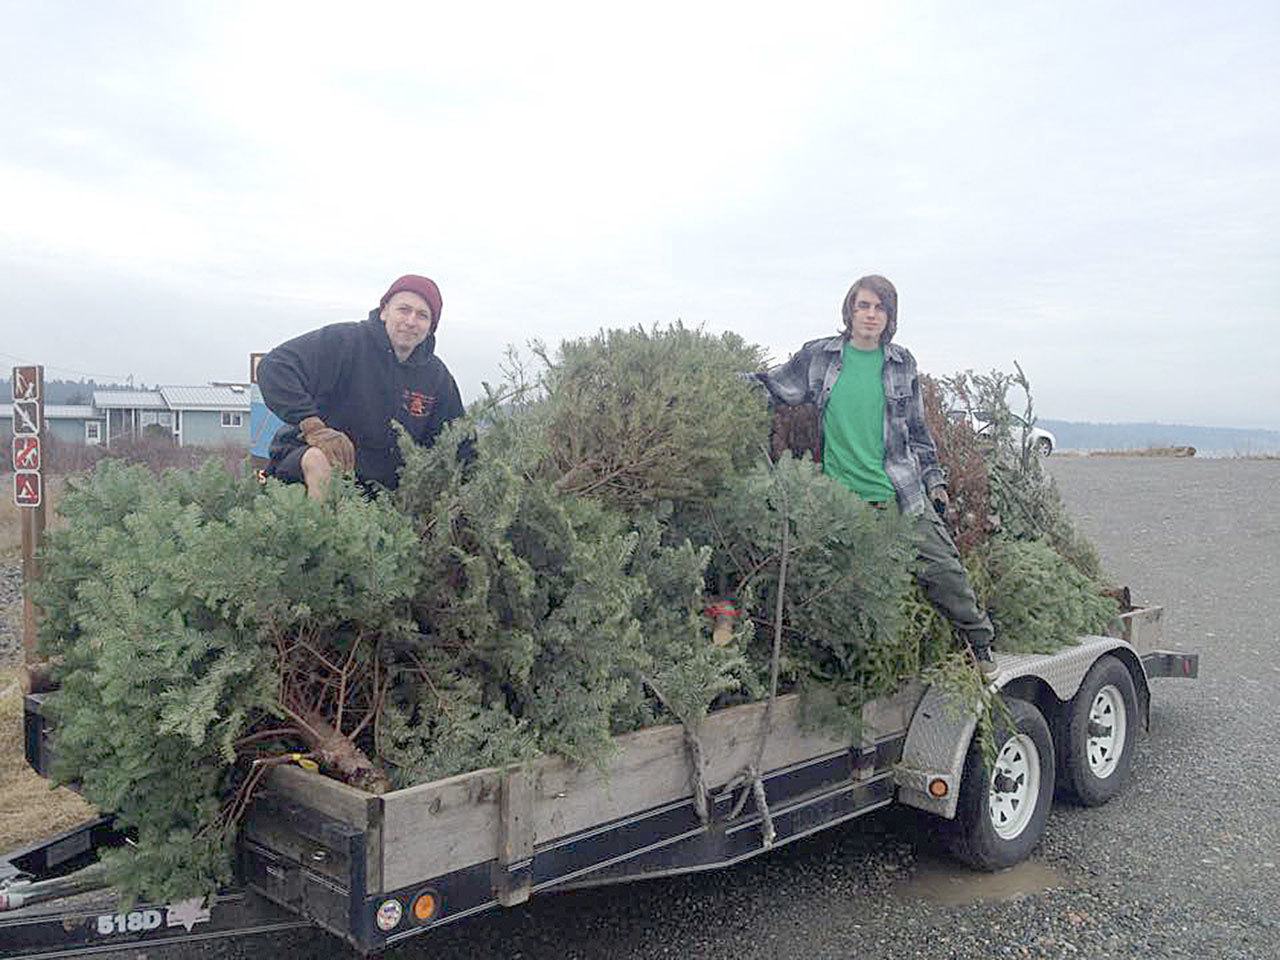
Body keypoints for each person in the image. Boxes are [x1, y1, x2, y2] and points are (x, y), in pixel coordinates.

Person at [758, 274, 997, 674]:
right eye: (863, 305)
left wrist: (935, 482)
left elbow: (919, 432)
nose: (871, 314)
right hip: (841, 499)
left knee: (945, 571)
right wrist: (718, 383)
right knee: (841, 588)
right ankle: (840, 669)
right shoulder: (820, 357)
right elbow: (774, 387)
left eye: (880, 307)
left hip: (898, 493)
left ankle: (979, 642)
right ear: (850, 311)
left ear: (890, 316)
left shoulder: (902, 363)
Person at [258, 274, 465, 498]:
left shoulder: (437, 378)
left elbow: (460, 441)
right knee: (319, 461)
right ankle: (318, 532)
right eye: (404, 309)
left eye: (422, 315)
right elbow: (275, 366)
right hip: (304, 468)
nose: (411, 321)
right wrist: (313, 426)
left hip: (382, 495)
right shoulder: (345, 342)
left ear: (431, 326)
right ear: (385, 311)